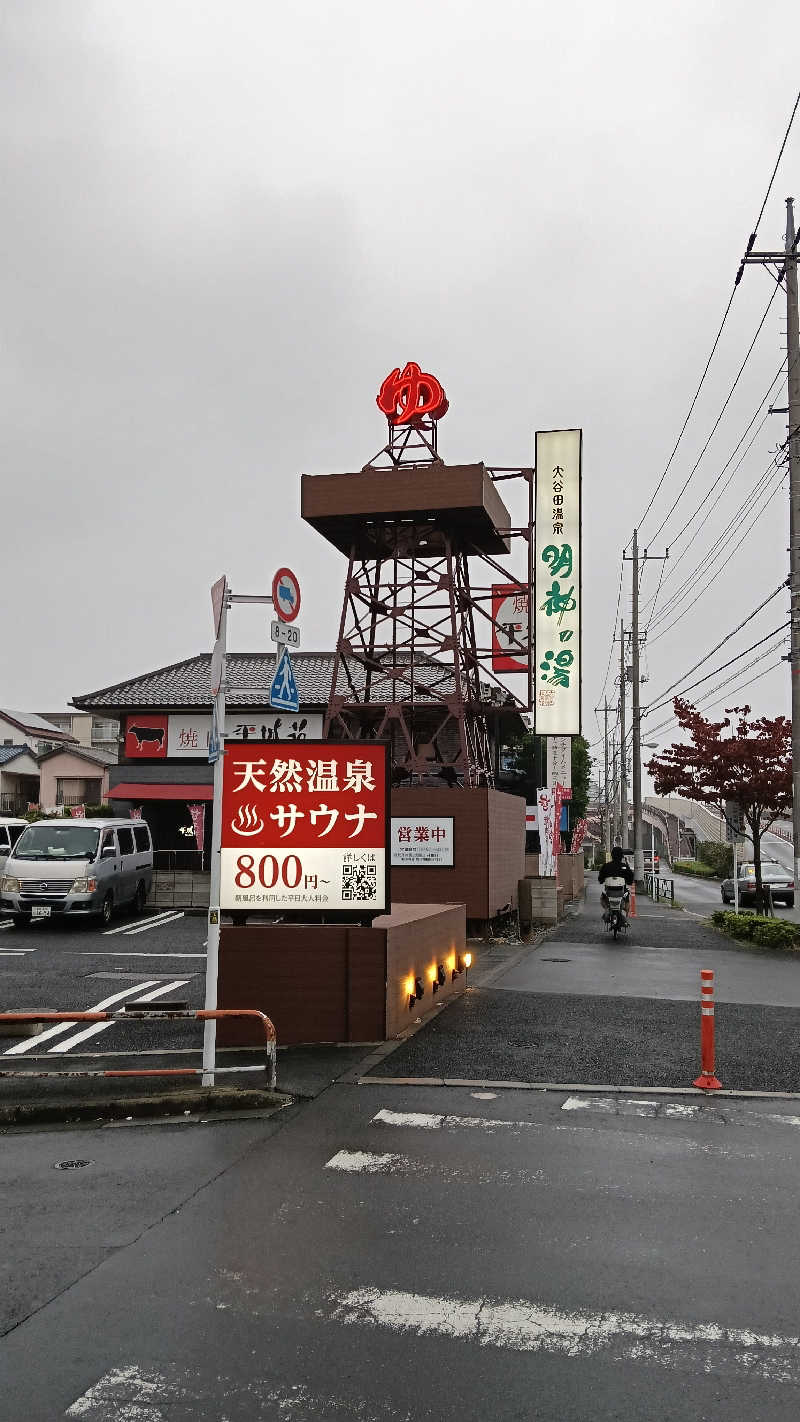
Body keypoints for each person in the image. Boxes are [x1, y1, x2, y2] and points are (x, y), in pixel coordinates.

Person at [598, 846, 634, 920]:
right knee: (627, 895)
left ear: (612, 855)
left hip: (609, 892)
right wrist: (629, 882)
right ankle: (626, 914)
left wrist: (602, 880)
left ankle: (607, 909)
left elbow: (600, 879)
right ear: (621, 856)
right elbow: (630, 878)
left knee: (602, 897)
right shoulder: (624, 867)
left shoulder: (606, 866)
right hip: (621, 892)